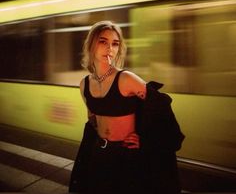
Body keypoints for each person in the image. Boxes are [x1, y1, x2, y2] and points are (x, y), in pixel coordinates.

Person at [69, 20, 185, 194]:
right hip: (99, 153)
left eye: (115, 44)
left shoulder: (126, 79)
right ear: (91, 44)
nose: (110, 48)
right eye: (103, 41)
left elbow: (161, 108)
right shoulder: (84, 85)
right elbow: (93, 119)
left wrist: (147, 139)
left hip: (126, 155)